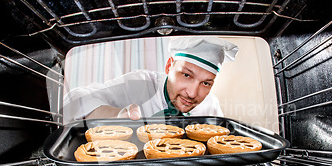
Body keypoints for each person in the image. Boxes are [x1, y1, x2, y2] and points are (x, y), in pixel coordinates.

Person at [63, 36, 238, 123]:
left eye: (206, 83)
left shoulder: (211, 105)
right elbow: (74, 99)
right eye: (186, 75)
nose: (192, 93)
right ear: (169, 66)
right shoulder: (139, 84)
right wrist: (116, 116)